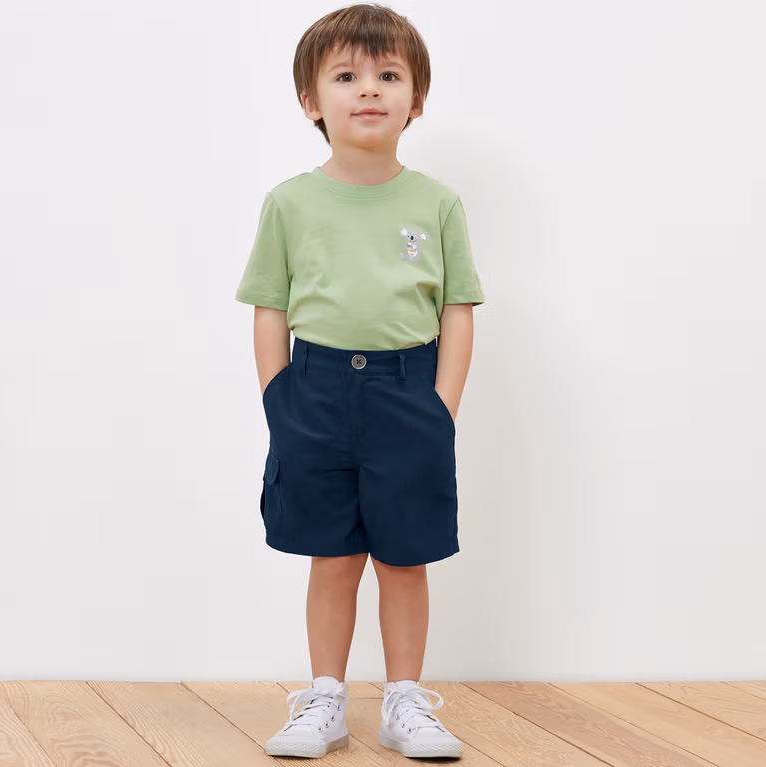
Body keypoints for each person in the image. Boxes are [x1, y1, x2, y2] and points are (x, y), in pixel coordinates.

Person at [234, 3, 484, 760]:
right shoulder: (290, 202)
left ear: (417, 98)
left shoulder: (436, 203)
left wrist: (440, 408)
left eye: (388, 75)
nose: (368, 89)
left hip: (410, 392)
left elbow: (457, 308)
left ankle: (406, 701)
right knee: (332, 555)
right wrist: (280, 399)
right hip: (313, 390)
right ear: (311, 101)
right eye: (345, 76)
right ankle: (325, 698)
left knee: (404, 557)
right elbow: (271, 307)